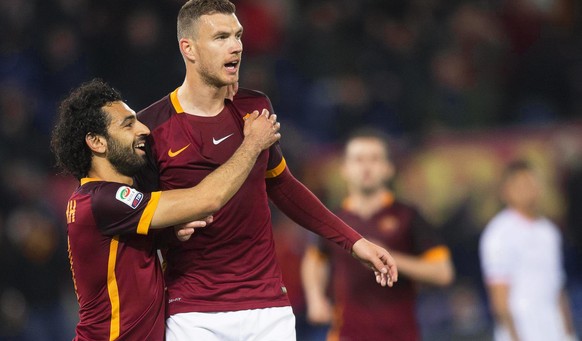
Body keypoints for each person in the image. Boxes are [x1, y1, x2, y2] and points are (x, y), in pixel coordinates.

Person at [135, 1, 398, 340]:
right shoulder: (151, 127)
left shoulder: (254, 107)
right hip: (193, 313)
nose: (236, 46)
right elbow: (139, 222)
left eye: (238, 35)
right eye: (220, 37)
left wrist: (354, 242)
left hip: (267, 310)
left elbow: (284, 187)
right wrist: (169, 233)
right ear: (189, 49)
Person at [50, 78, 282, 340]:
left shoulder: (97, 201)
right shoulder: (104, 200)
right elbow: (207, 199)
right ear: (97, 142)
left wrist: (170, 235)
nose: (144, 129)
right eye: (128, 124)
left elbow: (128, 264)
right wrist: (252, 144)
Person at [301, 129, 455, 341]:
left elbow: (443, 273)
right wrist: (315, 298)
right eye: (358, 159)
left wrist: (387, 257)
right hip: (346, 334)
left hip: (401, 335)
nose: (366, 167)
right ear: (344, 169)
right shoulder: (333, 220)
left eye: (374, 159)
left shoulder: (408, 217)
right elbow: (315, 259)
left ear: (388, 168)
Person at [479, 160, 577, 341]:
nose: (528, 189)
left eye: (532, 183)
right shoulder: (498, 234)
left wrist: (568, 333)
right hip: (523, 332)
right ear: (505, 191)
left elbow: (557, 288)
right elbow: (500, 301)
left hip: (553, 331)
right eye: (521, 185)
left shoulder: (549, 231)